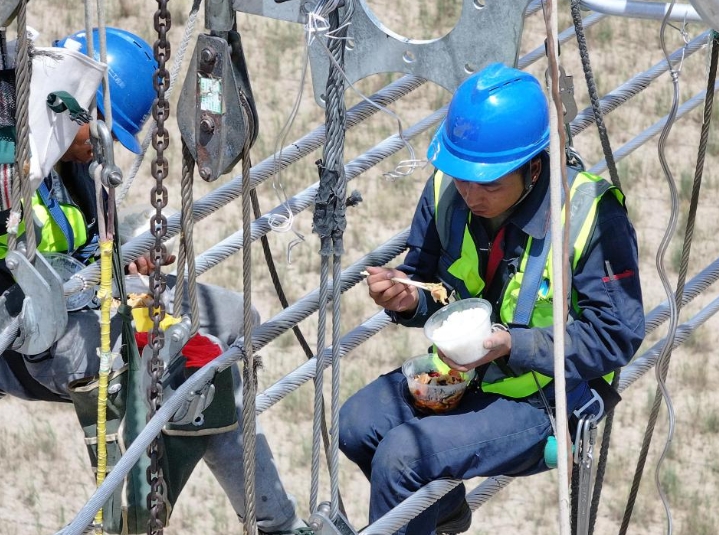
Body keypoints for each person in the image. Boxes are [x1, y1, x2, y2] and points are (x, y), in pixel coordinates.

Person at [0, 27, 307, 534]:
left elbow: (84, 241)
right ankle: (157, 513)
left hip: (86, 303)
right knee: (197, 369)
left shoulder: (71, 162)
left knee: (235, 321)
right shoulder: (12, 164)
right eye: (99, 128)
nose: (101, 148)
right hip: (29, 341)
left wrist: (128, 250)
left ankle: (264, 509)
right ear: (69, 106)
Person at [339, 63, 645, 535]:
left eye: (489, 184)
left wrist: (512, 345)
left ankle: (429, 508)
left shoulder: (590, 215)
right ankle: (443, 512)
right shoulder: (448, 189)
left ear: (534, 168)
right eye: (462, 177)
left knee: (403, 459)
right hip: (463, 376)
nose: (470, 194)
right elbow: (427, 281)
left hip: (546, 397)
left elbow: (616, 335)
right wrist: (406, 299)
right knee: (356, 425)